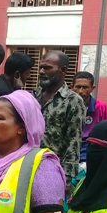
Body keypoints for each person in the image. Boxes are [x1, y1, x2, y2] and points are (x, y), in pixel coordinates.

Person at [35, 50, 84, 189]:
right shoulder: (35, 95)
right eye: (41, 67)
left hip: (53, 171)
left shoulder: (73, 101)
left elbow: (74, 141)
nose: (41, 71)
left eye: (47, 68)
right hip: (29, 166)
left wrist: (66, 180)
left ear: (63, 70)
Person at [72, 71, 107, 162]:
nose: (81, 91)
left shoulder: (101, 108)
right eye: (78, 87)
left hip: (91, 155)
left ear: (92, 88)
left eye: (85, 87)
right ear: (71, 87)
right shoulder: (64, 106)